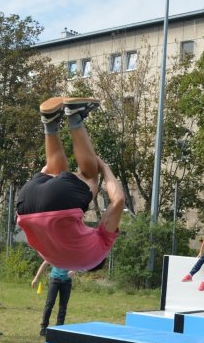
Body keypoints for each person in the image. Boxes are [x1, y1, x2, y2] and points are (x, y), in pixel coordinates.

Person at [15, 97, 126, 271]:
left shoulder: (100, 250)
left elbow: (118, 201)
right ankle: (49, 123)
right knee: (57, 176)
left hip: (55, 204)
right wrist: (45, 173)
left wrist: (104, 168)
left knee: (91, 177)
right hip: (26, 202)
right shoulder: (56, 259)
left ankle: (75, 116)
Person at [32, 260, 75, 337]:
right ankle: (43, 328)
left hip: (67, 282)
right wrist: (36, 278)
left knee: (63, 306)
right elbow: (44, 263)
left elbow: (79, 263)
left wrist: (74, 271)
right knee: (49, 304)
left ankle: (59, 329)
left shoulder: (71, 253)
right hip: (54, 280)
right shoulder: (55, 253)